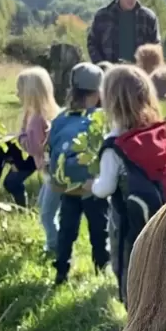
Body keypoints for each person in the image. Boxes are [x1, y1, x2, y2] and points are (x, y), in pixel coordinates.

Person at [88, 65, 166, 304]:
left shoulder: (114, 144)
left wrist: (92, 184)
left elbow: (106, 188)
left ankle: (132, 309)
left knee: (128, 264)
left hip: (127, 221)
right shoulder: (157, 132)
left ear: (110, 101)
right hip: (161, 214)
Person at [48, 63, 109, 286]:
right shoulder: (101, 118)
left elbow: (51, 150)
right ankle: (101, 269)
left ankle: (61, 271)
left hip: (67, 186)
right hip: (93, 185)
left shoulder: (61, 118)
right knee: (99, 229)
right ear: (98, 92)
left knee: (67, 229)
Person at [0, 67, 59, 223]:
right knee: (12, 181)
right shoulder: (36, 113)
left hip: (38, 161)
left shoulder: (37, 119)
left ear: (31, 92)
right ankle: (24, 211)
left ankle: (24, 212)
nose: (17, 94)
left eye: (20, 90)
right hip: (38, 161)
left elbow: (33, 147)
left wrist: (20, 136)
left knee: (13, 182)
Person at [87, 0, 161, 65]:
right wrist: (101, 64)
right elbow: (92, 43)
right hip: (110, 72)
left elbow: (156, 46)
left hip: (139, 73)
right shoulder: (102, 16)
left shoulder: (148, 18)